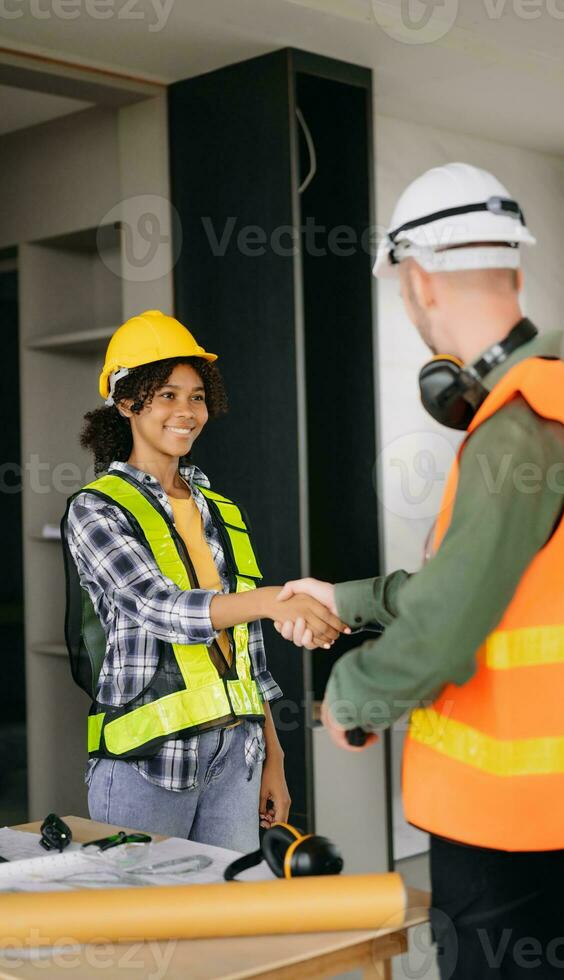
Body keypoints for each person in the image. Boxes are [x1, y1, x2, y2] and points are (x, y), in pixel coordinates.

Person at [276, 164, 564, 977]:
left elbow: (447, 628)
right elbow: (502, 596)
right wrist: (341, 596)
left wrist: (353, 695)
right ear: (514, 269)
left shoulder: (514, 429)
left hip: (505, 827)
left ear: (417, 281)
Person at [62, 310, 347, 852]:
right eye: (167, 395)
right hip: (148, 765)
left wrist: (273, 755)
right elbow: (159, 608)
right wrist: (270, 601)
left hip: (235, 759)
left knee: (226, 926)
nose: (187, 412)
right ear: (126, 403)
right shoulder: (96, 510)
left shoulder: (219, 509)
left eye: (196, 396)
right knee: (149, 934)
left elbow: (244, 650)